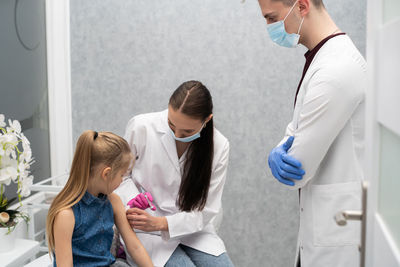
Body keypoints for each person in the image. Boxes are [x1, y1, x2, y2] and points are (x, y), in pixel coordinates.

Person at [258, 0, 366, 266]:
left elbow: (298, 167)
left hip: (338, 232)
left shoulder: (335, 69)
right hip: (324, 224)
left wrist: (286, 147)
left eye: (272, 18)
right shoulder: (324, 58)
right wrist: (287, 143)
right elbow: (295, 131)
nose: (270, 27)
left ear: (302, 6)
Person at [114, 81, 234, 267]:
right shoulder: (141, 127)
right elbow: (120, 177)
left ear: (207, 120)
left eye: (187, 132)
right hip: (144, 226)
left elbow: (207, 210)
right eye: (171, 125)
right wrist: (135, 203)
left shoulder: (219, 145)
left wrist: (162, 223)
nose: (177, 134)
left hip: (193, 230)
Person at [46, 130, 153, 267]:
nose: (122, 181)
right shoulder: (67, 214)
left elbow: (134, 246)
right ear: (106, 174)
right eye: (121, 175)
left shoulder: (114, 201)